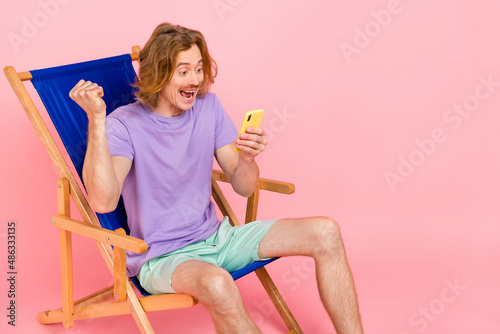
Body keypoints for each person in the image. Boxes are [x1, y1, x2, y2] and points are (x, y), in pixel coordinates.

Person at [69, 22, 363, 334]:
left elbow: (245, 186)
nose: (195, 80)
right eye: (183, 71)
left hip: (219, 239)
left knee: (326, 232)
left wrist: (247, 158)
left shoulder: (209, 107)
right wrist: (96, 120)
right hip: (163, 257)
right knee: (218, 284)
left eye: (198, 68)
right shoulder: (123, 125)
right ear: (158, 72)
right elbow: (102, 202)